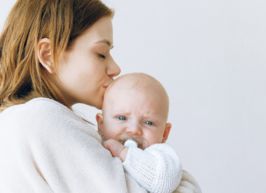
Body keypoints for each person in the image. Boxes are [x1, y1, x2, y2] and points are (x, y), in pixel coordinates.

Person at [0, 0, 200, 192]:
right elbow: (160, 185)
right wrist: (185, 182)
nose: (115, 69)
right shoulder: (42, 118)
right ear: (48, 54)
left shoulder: (19, 120)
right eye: (101, 54)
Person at [97, 73, 184, 193]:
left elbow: (162, 182)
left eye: (148, 123)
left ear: (164, 133)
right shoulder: (92, 145)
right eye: (122, 118)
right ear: (101, 124)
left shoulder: (161, 156)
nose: (134, 130)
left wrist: (124, 153)